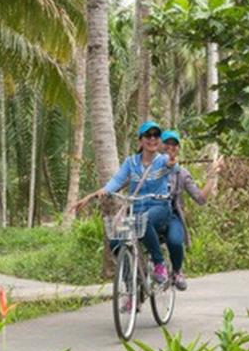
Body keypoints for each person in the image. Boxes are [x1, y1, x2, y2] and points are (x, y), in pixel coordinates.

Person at [75, 121, 177, 283]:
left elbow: (171, 164)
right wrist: (105, 190)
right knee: (115, 241)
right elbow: (117, 180)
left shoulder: (162, 160)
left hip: (159, 208)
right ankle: (131, 288)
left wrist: (172, 161)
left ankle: (159, 263)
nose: (152, 139)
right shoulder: (131, 162)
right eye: (148, 135)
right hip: (135, 210)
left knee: (146, 220)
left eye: (156, 135)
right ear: (140, 140)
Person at [160, 130, 223, 291]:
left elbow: (200, 198)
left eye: (174, 145)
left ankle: (177, 271)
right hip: (145, 212)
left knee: (175, 241)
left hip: (170, 215)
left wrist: (213, 174)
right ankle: (130, 288)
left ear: (178, 149)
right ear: (160, 145)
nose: (170, 147)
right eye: (167, 143)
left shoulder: (181, 174)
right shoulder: (146, 166)